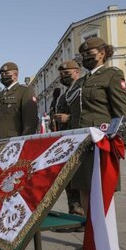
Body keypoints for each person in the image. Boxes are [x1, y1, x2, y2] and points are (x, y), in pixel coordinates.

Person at [69, 37, 126, 217]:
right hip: (81, 143)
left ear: (102, 54)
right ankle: (91, 237)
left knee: (102, 190)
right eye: (83, 55)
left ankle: (104, 240)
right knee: (83, 188)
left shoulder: (112, 75)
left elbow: (121, 112)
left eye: (90, 54)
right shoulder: (80, 82)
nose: (86, 57)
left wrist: (120, 142)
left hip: (101, 142)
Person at [51, 60, 84, 217]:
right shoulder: (64, 94)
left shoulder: (82, 88)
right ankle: (74, 211)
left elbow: (86, 113)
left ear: (77, 72)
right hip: (65, 142)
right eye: (61, 74)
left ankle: (82, 214)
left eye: (67, 73)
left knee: (78, 180)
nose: (63, 76)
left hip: (78, 139)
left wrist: (68, 118)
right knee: (69, 181)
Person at [0, 62, 39, 155]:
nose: (3, 76)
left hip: (14, 147)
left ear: (15, 75)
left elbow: (30, 122)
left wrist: (24, 145)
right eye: (1, 74)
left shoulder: (24, 91)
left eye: (6, 74)